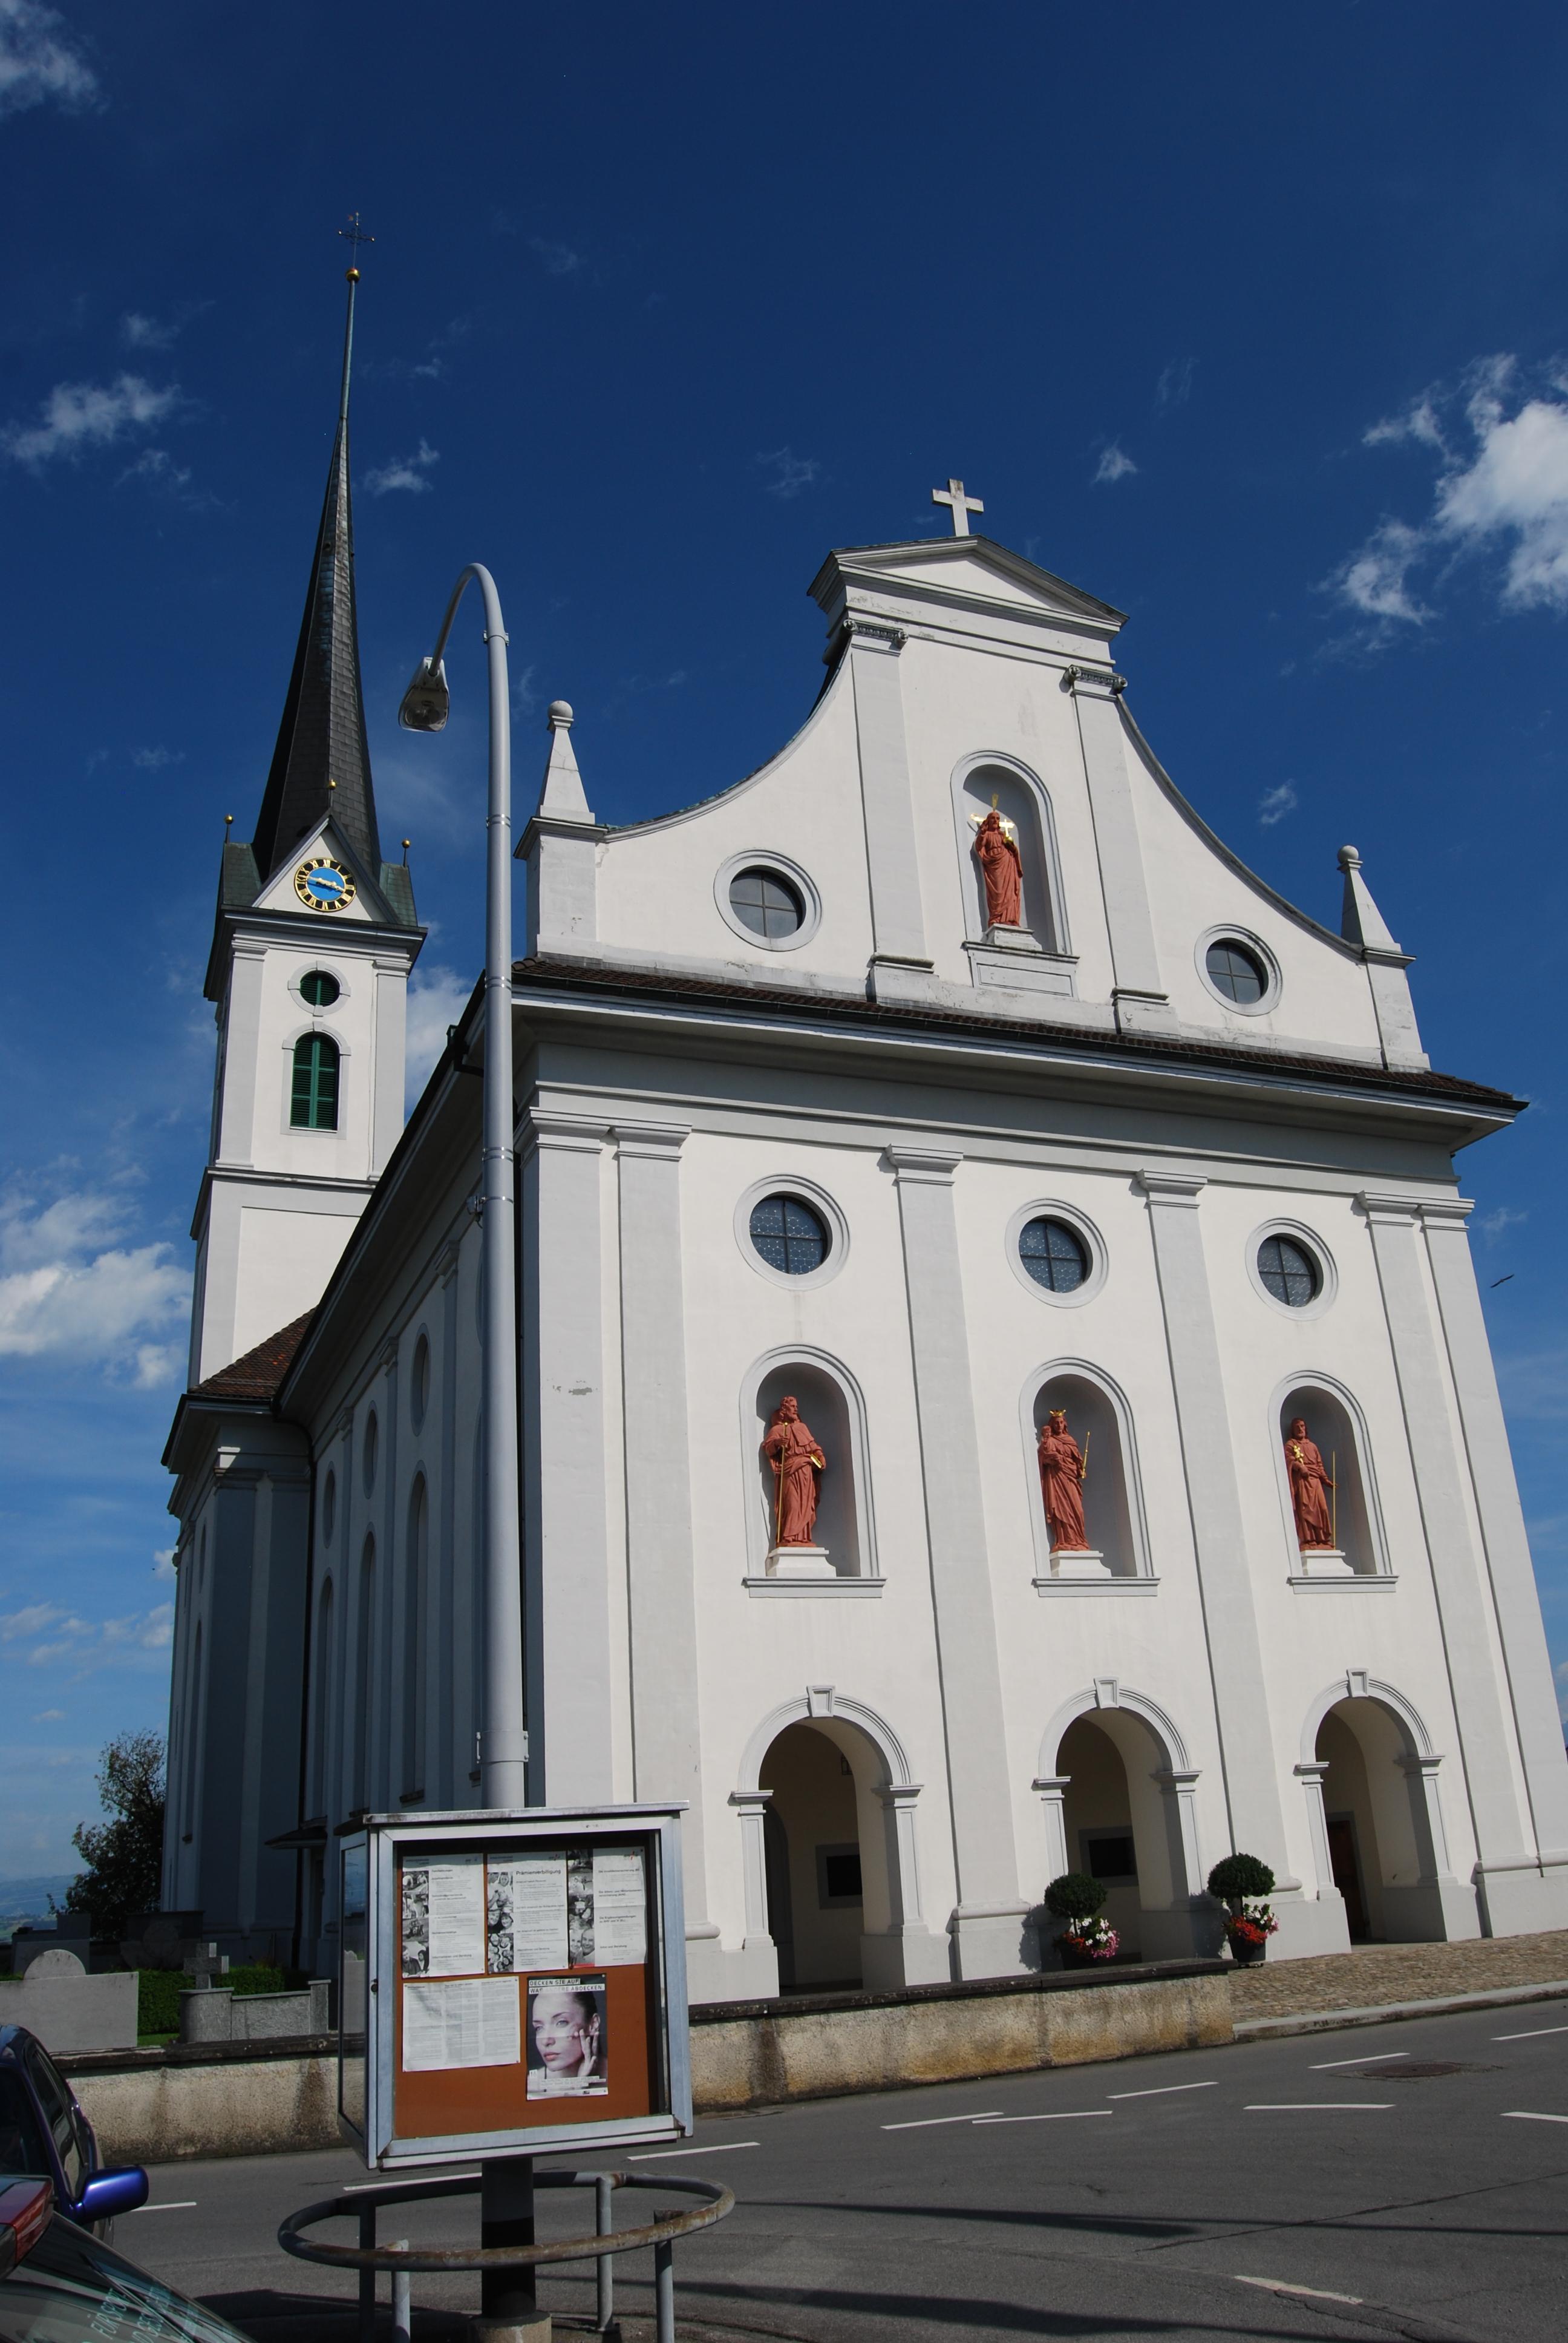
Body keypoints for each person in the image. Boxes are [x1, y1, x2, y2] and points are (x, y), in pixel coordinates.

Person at [763, 1395, 826, 1547]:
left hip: (806, 1471)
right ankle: (788, 1537)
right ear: (784, 1410)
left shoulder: (802, 1428)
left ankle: (803, 1537)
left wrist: (820, 1457)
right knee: (792, 1503)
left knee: (806, 1504)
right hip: (790, 1471)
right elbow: (768, 1448)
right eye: (793, 1406)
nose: (796, 1409)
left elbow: (813, 1447)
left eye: (796, 1406)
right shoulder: (778, 1429)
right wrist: (778, 1443)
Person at [528, 1985, 606, 2094]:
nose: (546, 2041)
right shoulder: (532, 2086)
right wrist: (579, 2089)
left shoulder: (620, 2075)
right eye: (539, 2028)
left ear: (593, 2025)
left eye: (561, 2023)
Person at [1036, 1408, 1088, 1551]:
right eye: (1056, 1423)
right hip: (1057, 1479)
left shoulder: (1070, 1441)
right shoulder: (1051, 1441)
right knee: (1061, 1508)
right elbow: (1044, 1457)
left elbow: (1077, 1460)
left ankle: (1079, 1540)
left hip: (1070, 1478)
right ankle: (1064, 1540)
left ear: (1065, 1424)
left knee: (1077, 1510)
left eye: (1061, 1423)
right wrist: (1052, 1459)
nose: (1059, 1426)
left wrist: (1080, 1469)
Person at [1284, 1417, 1334, 1548]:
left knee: (1322, 1508)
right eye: (1297, 1427)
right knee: (1306, 1510)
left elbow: (1319, 1465)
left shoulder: (1313, 1446)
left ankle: (1323, 1539)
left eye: (1302, 1426)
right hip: (1303, 1480)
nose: (1300, 1429)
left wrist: (1326, 1479)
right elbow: (1289, 1459)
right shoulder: (1291, 1444)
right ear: (1293, 1430)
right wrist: (1300, 1467)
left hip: (1316, 1480)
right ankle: (1309, 1539)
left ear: (1306, 1428)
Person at [973, 806, 1024, 928]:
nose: (996, 821)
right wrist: (983, 833)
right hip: (994, 864)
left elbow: (1014, 851)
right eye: (993, 819)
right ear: (988, 821)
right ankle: (996, 917)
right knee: (998, 891)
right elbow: (980, 846)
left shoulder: (1002, 836)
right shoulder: (987, 835)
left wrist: (1012, 848)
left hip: (1007, 862)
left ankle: (1010, 918)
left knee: (1010, 892)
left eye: (998, 819)